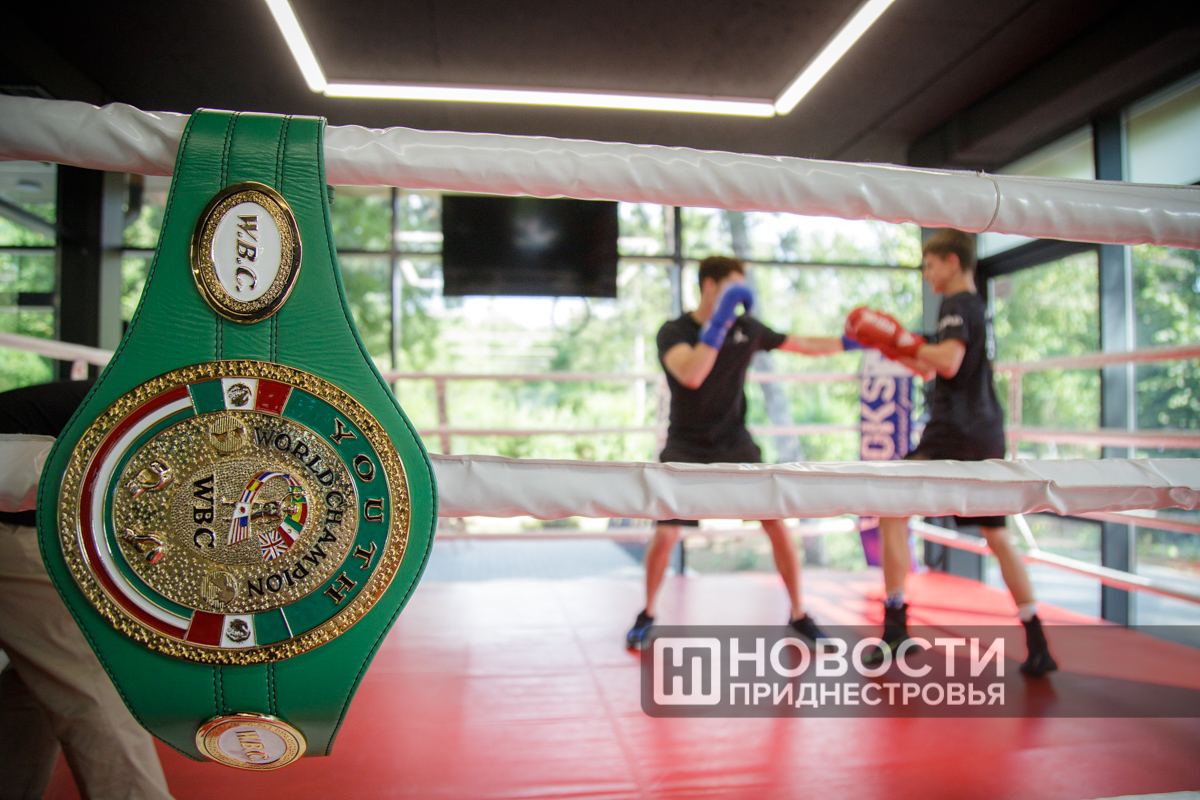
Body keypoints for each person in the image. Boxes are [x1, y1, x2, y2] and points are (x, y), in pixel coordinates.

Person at [844, 229, 1057, 676]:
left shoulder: (956, 303)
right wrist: (890, 343)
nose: (927, 274)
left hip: (953, 434)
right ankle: (1037, 639)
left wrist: (901, 340)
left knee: (891, 509)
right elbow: (931, 367)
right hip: (984, 433)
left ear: (952, 262)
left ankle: (896, 625)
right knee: (996, 534)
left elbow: (947, 361)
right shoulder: (977, 307)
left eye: (930, 265)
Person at [626, 256, 848, 650]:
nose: (740, 297)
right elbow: (691, 374)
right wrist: (718, 323)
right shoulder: (674, 331)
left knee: (776, 522)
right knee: (666, 533)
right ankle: (647, 614)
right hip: (686, 444)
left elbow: (802, 344)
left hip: (734, 441)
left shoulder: (747, 328)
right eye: (732, 287)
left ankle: (799, 615)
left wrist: (854, 341)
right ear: (709, 286)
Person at [0, 380, 175, 800]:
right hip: (12, 526)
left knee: (39, 679)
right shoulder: (163, 417)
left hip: (29, 521)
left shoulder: (162, 401)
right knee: (90, 684)